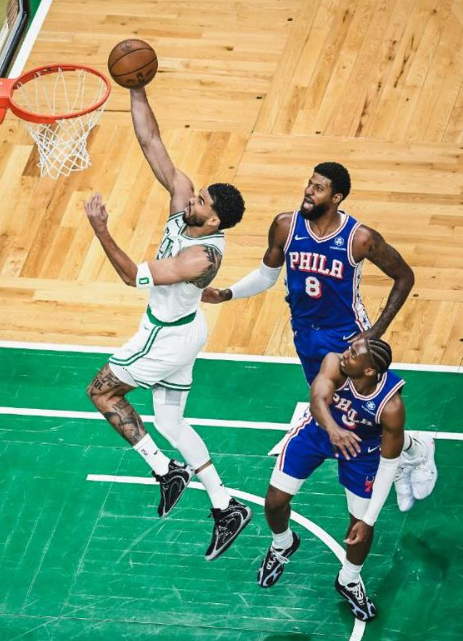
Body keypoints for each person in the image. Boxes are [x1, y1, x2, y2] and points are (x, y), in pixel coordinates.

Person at [202, 162, 436, 509]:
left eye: (318, 187)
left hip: (346, 337)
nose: (309, 191)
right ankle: (407, 452)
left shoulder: (360, 238)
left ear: (336, 197)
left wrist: (374, 332)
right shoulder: (286, 226)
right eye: (309, 184)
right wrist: (228, 294)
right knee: (340, 409)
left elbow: (405, 277)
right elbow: (267, 275)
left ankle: (414, 452)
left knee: (367, 410)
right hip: (305, 336)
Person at [83, 86, 251, 561]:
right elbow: (151, 141)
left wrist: (101, 229)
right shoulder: (185, 207)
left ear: (213, 221)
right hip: (188, 328)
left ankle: (165, 470)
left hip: (164, 337)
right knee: (172, 422)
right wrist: (136, 87)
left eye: (200, 201)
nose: (191, 198)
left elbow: (131, 276)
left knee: (101, 393)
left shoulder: (200, 257)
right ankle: (226, 506)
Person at [257, 337, 417, 621]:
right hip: (318, 433)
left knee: (360, 525)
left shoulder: (391, 407)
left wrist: (369, 521)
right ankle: (282, 543)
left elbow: (388, 465)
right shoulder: (334, 363)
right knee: (274, 502)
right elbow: (317, 400)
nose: (345, 354)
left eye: (353, 354)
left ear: (369, 370)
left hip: (363, 452)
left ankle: (349, 579)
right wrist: (333, 430)